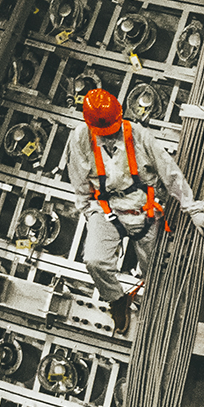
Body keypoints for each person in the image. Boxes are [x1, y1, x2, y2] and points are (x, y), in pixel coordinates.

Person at [66, 86, 190, 320]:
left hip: (143, 209)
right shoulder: (81, 138)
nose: (108, 136)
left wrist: (191, 208)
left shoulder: (138, 135)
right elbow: (78, 179)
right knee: (94, 260)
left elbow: (169, 171)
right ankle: (116, 298)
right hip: (105, 209)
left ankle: (155, 302)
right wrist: (88, 212)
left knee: (153, 269)